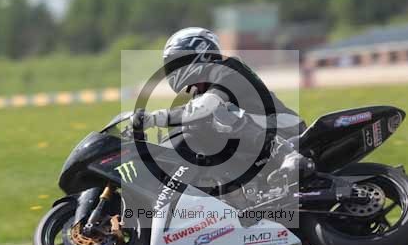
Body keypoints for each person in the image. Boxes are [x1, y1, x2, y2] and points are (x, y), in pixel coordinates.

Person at [135, 27, 315, 188]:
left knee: (218, 113)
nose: (173, 70)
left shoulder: (228, 69)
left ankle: (288, 156)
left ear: (203, 54)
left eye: (178, 62)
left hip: (286, 129)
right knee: (190, 129)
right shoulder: (200, 93)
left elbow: (207, 108)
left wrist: (155, 118)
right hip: (256, 138)